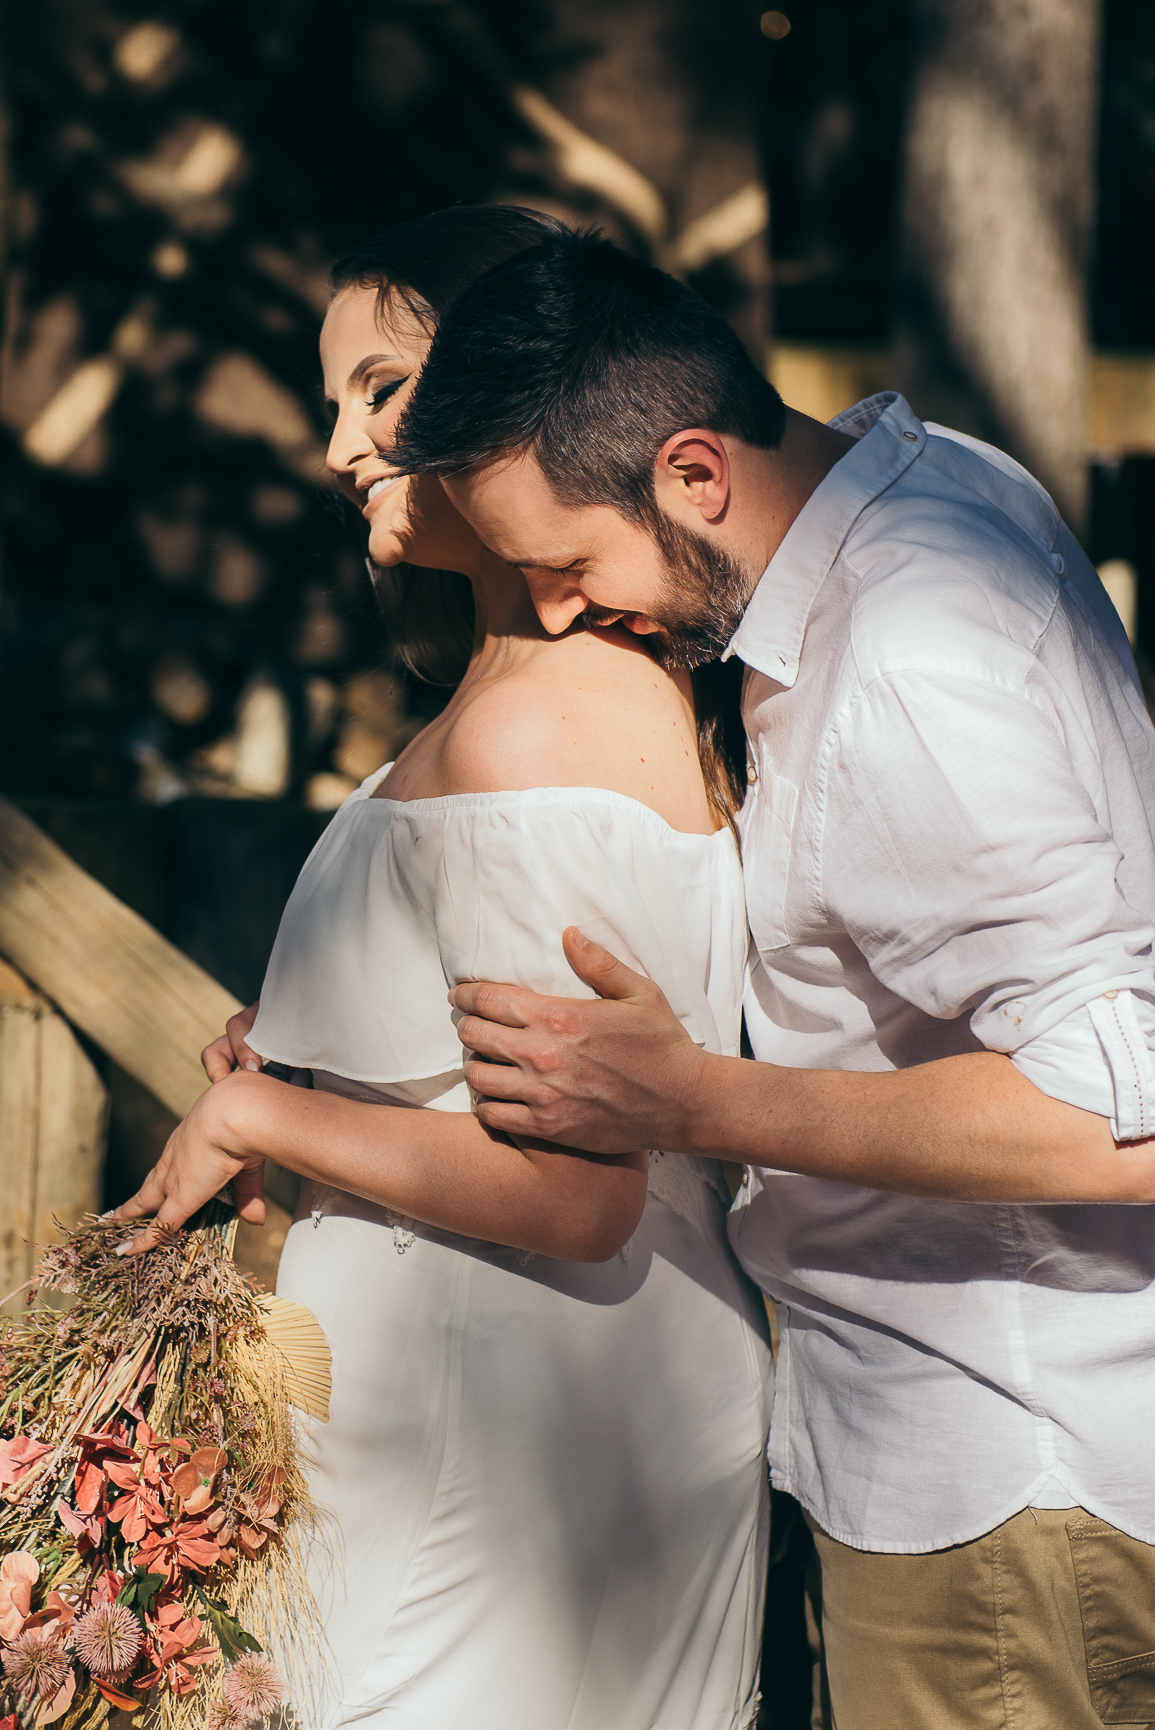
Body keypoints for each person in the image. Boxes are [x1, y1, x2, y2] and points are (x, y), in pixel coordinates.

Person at [384, 226, 1155, 1730]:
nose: (561, 613)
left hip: (1004, 1483)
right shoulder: (935, 486)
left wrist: (688, 1099)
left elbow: (1116, 1113)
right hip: (971, 1460)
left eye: (567, 566)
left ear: (693, 472)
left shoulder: (905, 662)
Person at [113, 207, 773, 1730]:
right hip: (476, 1428)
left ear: (514, 384)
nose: (340, 446)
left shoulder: (542, 719)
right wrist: (307, 1064)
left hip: (524, 1456)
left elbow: (578, 1191)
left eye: (383, 390)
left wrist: (261, 1116)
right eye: (334, 399)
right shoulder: (510, 692)